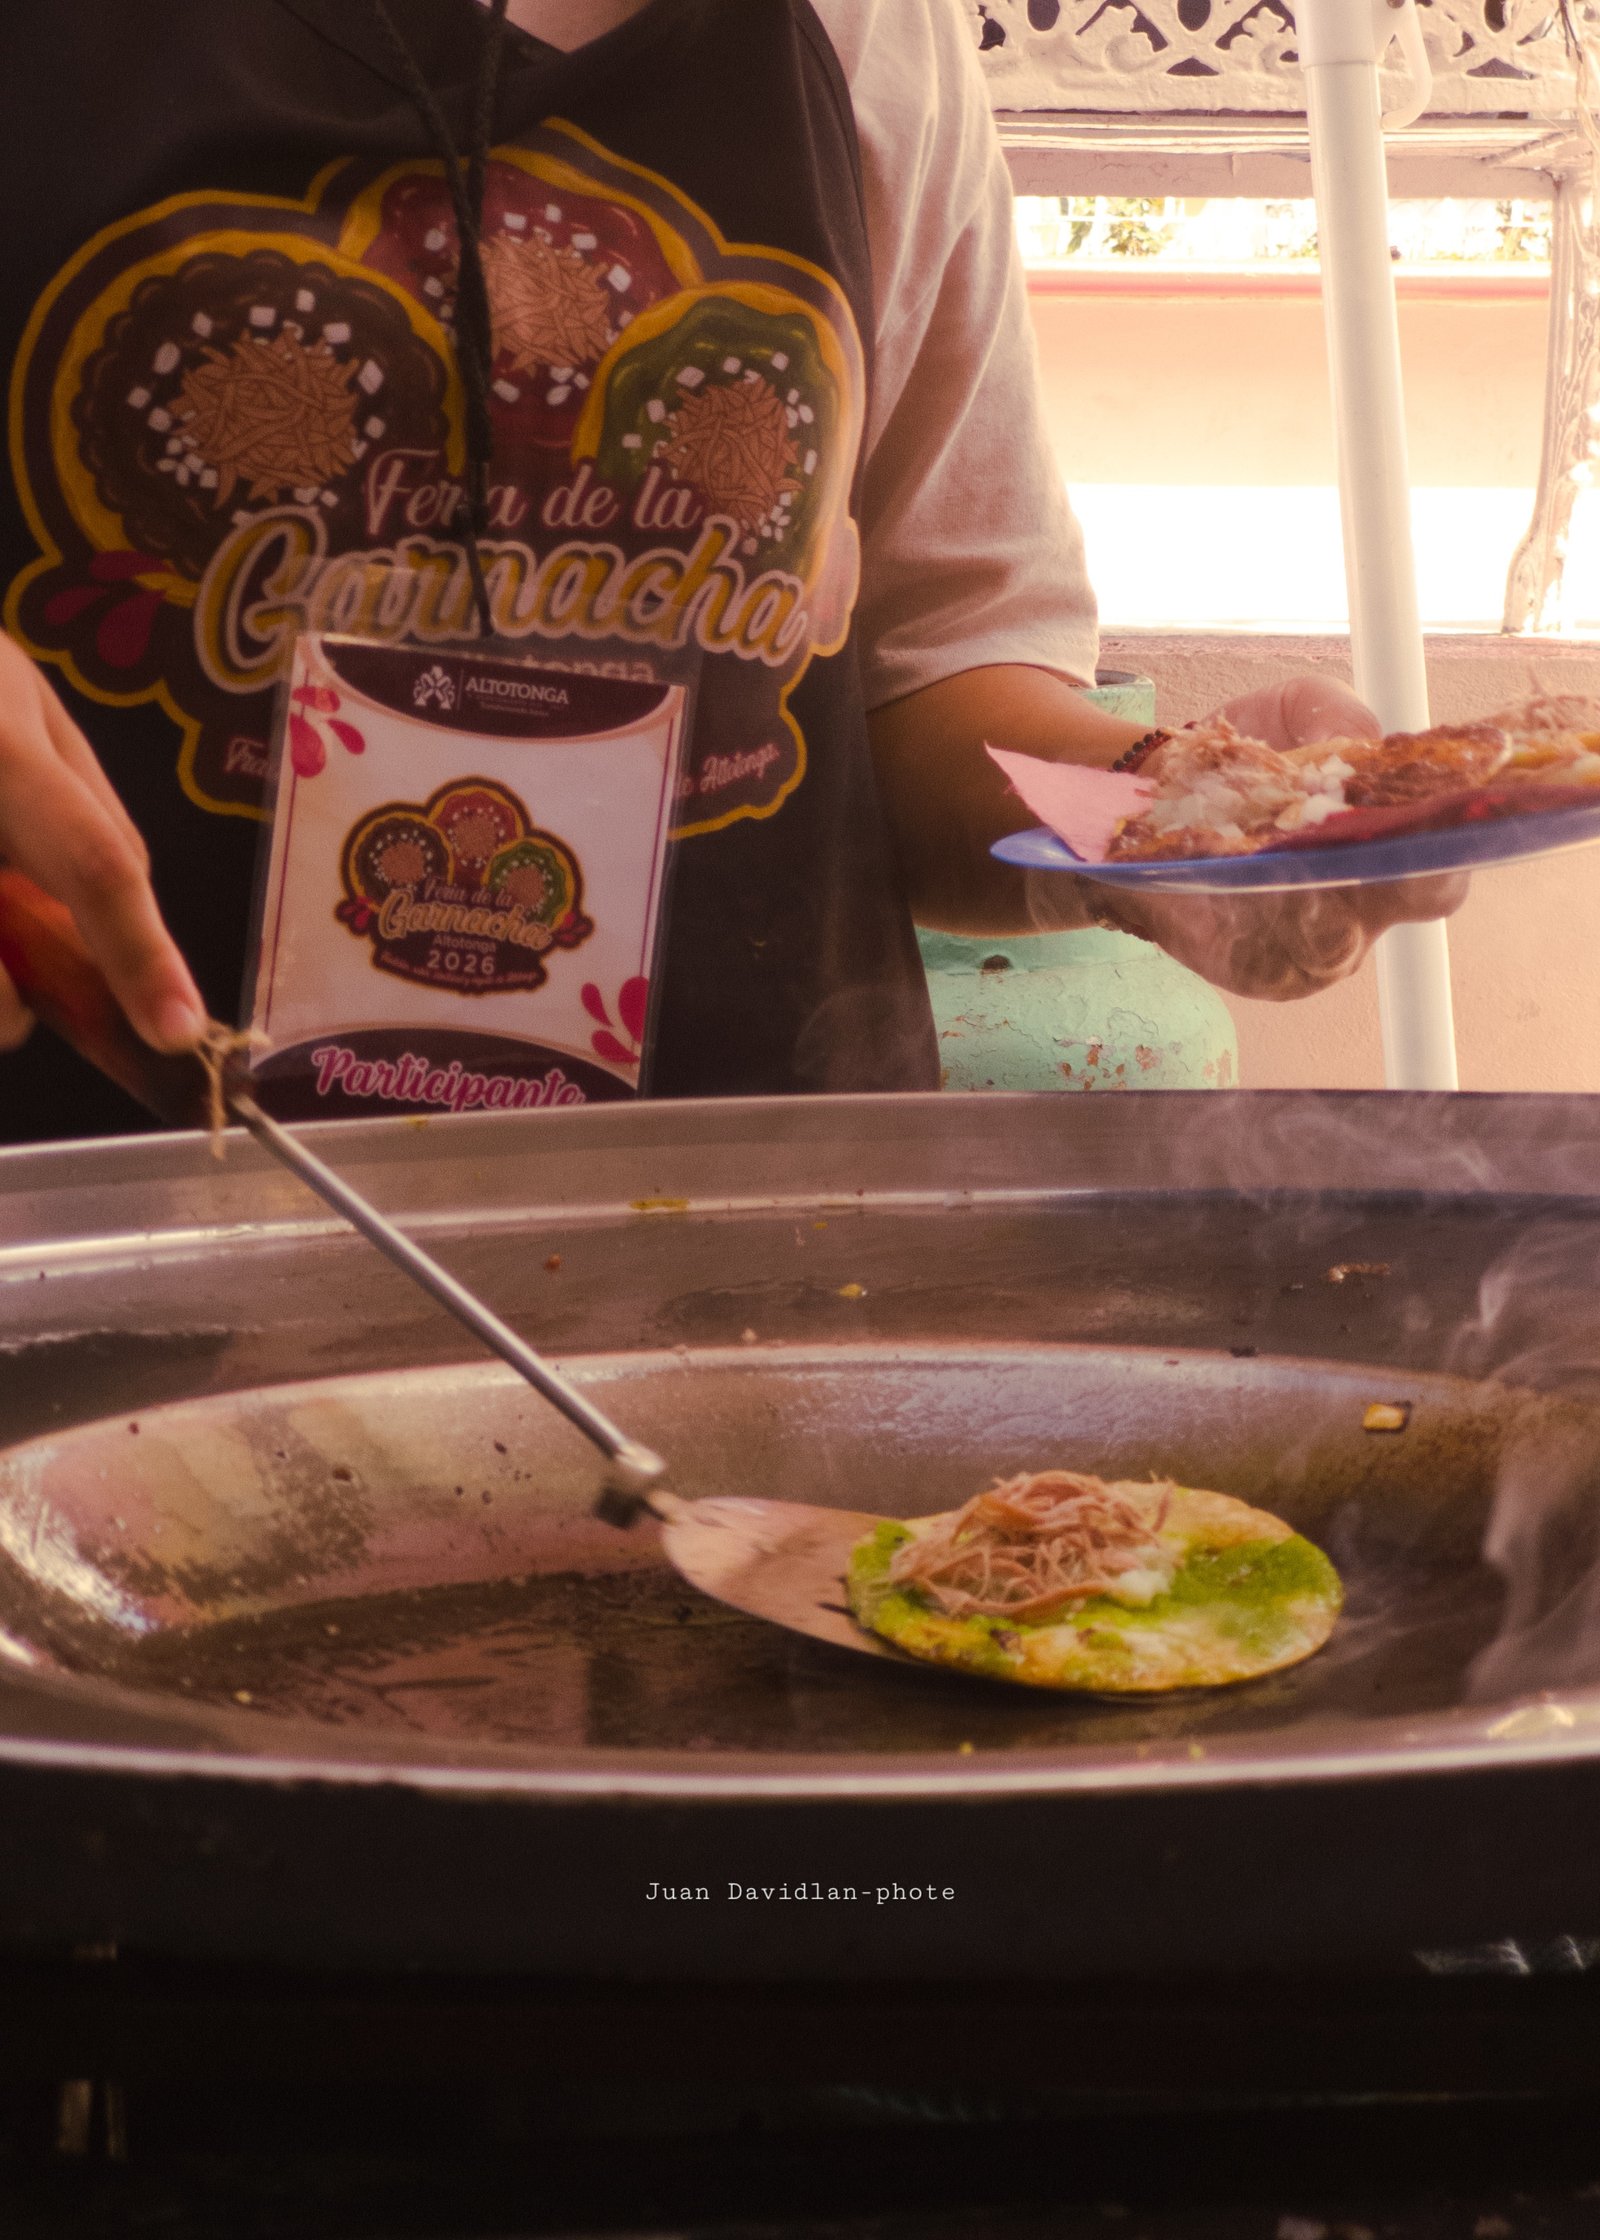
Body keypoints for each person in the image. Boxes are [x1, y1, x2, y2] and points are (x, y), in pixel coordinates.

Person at [0, 0, 1460, 1141]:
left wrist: (1168, 817)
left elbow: (929, 683)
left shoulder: (870, 30)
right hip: (112, 1230)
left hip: (747, 1263)